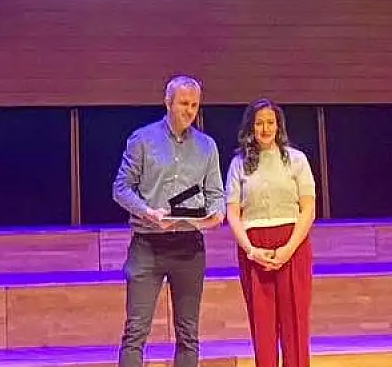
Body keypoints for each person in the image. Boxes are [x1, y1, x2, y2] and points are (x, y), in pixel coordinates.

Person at [112, 75, 226, 367]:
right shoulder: (142, 140)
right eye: (184, 104)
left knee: (188, 334)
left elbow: (216, 194)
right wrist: (146, 211)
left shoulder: (207, 146)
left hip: (189, 247)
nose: (190, 111)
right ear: (168, 102)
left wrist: (217, 214)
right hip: (148, 245)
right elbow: (121, 188)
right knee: (135, 332)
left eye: (195, 105)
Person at [225, 99, 316, 367]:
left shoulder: (296, 160)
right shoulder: (239, 164)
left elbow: (308, 209)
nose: (265, 129)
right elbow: (233, 213)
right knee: (262, 326)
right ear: (250, 127)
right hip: (255, 249)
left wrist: (288, 249)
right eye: (259, 123)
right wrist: (250, 250)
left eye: (270, 122)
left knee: (294, 324)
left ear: (278, 126)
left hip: (292, 245)